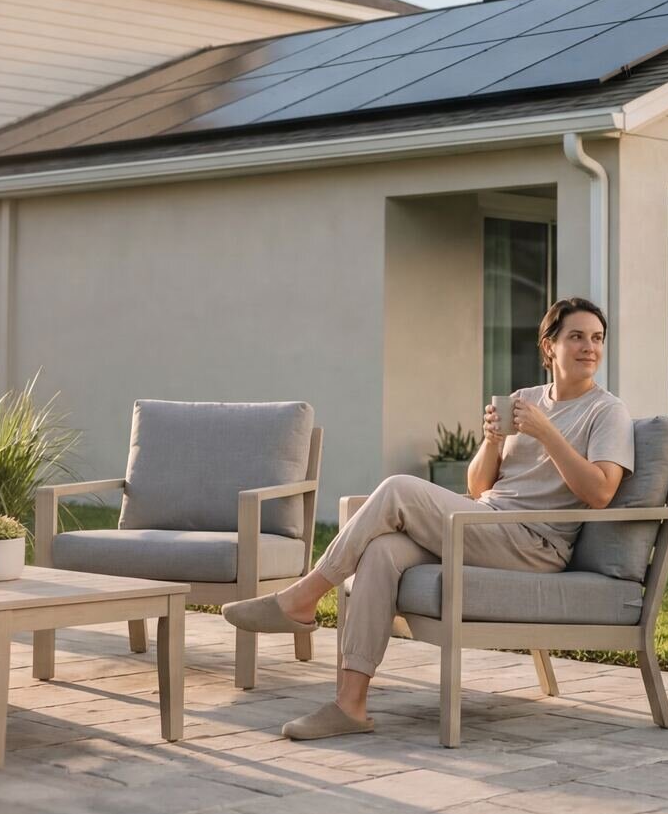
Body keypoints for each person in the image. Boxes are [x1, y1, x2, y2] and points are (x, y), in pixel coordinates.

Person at [223, 297, 634, 739]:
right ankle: (350, 705)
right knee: (381, 551)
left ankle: (304, 597)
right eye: (576, 337)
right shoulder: (524, 400)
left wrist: (546, 433)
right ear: (549, 346)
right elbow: (479, 487)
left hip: (535, 544)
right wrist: (493, 441)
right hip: (484, 519)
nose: (589, 347)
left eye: (596, 338)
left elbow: (600, 491)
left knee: (399, 488)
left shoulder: (606, 411)